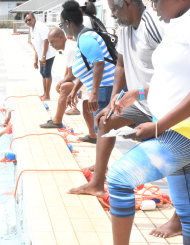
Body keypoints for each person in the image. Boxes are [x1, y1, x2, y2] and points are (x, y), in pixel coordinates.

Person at [67, 0, 173, 235]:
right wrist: (114, 99)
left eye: (114, 10)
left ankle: (178, 218)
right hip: (139, 100)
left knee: (177, 158)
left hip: (165, 102)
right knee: (106, 120)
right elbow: (121, 66)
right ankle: (96, 183)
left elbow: (175, 67)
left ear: (128, 4)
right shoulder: (124, 30)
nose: (112, 15)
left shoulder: (157, 24)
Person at [107, 1, 190, 243]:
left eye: (156, 0)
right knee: (186, 211)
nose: (153, 7)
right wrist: (137, 93)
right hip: (170, 127)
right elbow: (173, 81)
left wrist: (157, 127)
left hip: (181, 131)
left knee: (119, 178)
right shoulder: (177, 25)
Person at [60, 1, 115, 142]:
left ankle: (100, 165)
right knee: (102, 128)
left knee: (102, 130)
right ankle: (100, 164)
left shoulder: (85, 38)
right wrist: (74, 90)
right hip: (102, 89)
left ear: (68, 23)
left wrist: (94, 94)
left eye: (61, 25)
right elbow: (88, 68)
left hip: (105, 89)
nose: (63, 28)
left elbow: (99, 63)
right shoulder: (82, 38)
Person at [24, 12, 58, 101]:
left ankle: (47, 95)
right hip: (41, 54)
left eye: (29, 19)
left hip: (48, 54)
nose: (28, 22)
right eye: (26, 21)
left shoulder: (40, 26)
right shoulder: (32, 29)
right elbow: (36, 45)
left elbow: (46, 40)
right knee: (42, 73)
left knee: (46, 73)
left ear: (34, 18)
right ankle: (45, 93)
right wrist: (36, 59)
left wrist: (43, 56)